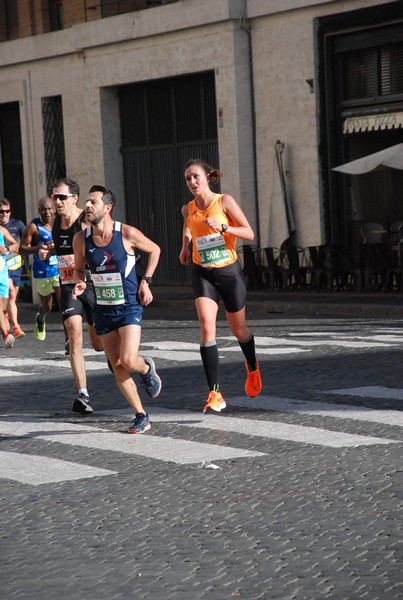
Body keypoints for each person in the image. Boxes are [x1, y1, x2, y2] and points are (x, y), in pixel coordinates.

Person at [72, 185, 162, 434]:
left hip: (129, 306)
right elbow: (79, 268)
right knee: (118, 366)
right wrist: (81, 281)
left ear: (107, 208)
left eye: (93, 202)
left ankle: (146, 368)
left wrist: (146, 280)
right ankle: (141, 414)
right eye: (86, 202)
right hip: (102, 309)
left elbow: (155, 250)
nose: (87, 206)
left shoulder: (127, 233)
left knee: (129, 360)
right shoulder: (81, 239)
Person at [179, 158, 262, 413]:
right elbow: (189, 228)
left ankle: (252, 366)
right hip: (203, 274)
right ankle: (214, 393)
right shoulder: (187, 208)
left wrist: (224, 226)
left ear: (207, 177)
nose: (192, 182)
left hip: (229, 272)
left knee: (239, 330)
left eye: (196, 177)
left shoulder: (224, 201)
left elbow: (249, 233)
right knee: (206, 327)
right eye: (188, 179)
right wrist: (184, 247)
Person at [40, 177, 104, 414]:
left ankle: (126, 361)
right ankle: (83, 394)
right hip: (68, 286)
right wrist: (50, 252)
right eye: (54, 196)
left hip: (91, 286)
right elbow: (65, 247)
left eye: (61, 197)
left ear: (74, 199)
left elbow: (101, 246)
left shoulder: (85, 222)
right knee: (74, 335)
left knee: (98, 344)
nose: (56, 201)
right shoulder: (57, 222)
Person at [19, 196, 61, 341]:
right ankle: (41, 318)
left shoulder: (60, 223)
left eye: (49, 209)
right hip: (42, 271)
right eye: (43, 209)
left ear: (54, 210)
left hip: (59, 270)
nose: (47, 212)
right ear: (39, 211)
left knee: (65, 306)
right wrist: (38, 249)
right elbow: (22, 248)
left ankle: (69, 341)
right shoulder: (33, 227)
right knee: (47, 307)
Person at [0, 197, 26, 339]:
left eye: (7, 211)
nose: (4, 214)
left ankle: (5, 316)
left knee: (12, 298)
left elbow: (23, 243)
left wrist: (7, 248)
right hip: (3, 269)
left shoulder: (17, 225)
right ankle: (16, 326)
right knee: (11, 293)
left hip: (15, 266)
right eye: (1, 212)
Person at [0, 224, 19, 348]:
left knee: (4, 306)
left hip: (2, 272)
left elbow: (16, 245)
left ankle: (4, 329)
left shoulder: (1, 230)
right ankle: (5, 334)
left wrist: (6, 249)